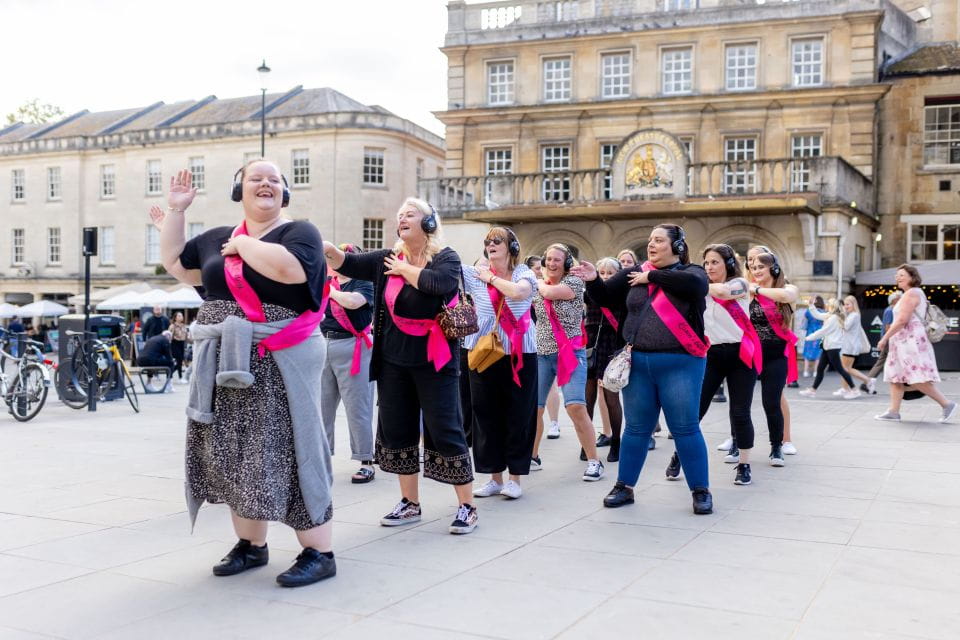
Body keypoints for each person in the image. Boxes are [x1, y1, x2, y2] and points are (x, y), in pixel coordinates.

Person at [160, 162, 336, 587]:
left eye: (274, 179)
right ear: (238, 189)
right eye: (255, 178)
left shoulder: (299, 233)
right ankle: (251, 545)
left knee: (293, 446)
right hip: (227, 362)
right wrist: (177, 211)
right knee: (237, 451)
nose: (265, 183)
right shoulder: (216, 237)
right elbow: (176, 264)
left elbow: (289, 270)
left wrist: (243, 246)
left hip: (282, 356)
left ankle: (319, 552)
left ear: (285, 193)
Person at [324, 198, 479, 534]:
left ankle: (467, 506)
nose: (402, 218)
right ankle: (410, 503)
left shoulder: (446, 257)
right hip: (394, 360)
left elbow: (439, 284)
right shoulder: (386, 258)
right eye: (400, 215)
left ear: (429, 223)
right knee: (398, 431)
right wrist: (327, 249)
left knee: (446, 429)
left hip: (436, 360)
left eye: (410, 214)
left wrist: (405, 269)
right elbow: (348, 262)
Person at [576, 225, 713, 514]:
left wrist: (652, 277)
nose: (651, 244)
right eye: (650, 240)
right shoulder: (634, 273)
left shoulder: (692, 272)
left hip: (681, 363)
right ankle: (624, 486)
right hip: (638, 363)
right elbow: (605, 296)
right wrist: (593, 280)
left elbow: (697, 286)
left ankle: (700, 489)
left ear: (677, 247)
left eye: (659, 240)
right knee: (636, 428)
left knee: (685, 428)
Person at [666, 244, 758, 485]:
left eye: (715, 262)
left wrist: (695, 285)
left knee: (740, 412)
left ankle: (744, 464)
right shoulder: (700, 288)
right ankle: (679, 455)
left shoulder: (740, 284)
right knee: (695, 410)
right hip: (711, 354)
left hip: (741, 353)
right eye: (706, 263)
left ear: (728, 264)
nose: (709, 267)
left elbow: (725, 293)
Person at [463, 227, 538, 500]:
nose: (491, 244)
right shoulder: (474, 274)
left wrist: (491, 278)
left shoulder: (523, 274)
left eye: (498, 241)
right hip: (484, 353)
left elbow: (518, 293)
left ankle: (515, 478)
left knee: (519, 415)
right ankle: (494, 477)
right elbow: (444, 270)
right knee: (485, 414)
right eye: (488, 241)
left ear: (512, 247)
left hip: (520, 354)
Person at [530, 244, 603, 480]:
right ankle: (532, 457)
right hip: (542, 353)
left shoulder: (573, 282)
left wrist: (536, 281)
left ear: (567, 264)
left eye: (557, 260)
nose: (552, 264)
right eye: (549, 259)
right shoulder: (538, 285)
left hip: (570, 353)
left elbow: (550, 293)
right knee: (534, 409)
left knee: (575, 407)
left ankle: (594, 461)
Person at [320, 243, 376, 484]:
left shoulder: (363, 282)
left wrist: (329, 291)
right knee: (321, 408)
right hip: (324, 344)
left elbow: (353, 302)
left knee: (358, 407)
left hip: (354, 346)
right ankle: (321, 458)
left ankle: (365, 461)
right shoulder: (324, 281)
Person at [875, 264, 957, 423]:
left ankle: (947, 404)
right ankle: (893, 412)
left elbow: (902, 320)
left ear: (912, 277)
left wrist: (884, 338)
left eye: (902, 275)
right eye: (897, 275)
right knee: (896, 376)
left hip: (910, 342)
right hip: (903, 342)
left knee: (917, 377)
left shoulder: (912, 293)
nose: (897, 278)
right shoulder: (911, 293)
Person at [746, 251, 799, 466]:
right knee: (741, 402)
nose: (756, 270)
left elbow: (785, 297)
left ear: (773, 268)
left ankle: (776, 446)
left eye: (761, 266)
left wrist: (757, 289)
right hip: (751, 354)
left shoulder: (788, 288)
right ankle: (736, 442)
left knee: (771, 401)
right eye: (753, 267)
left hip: (776, 355)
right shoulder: (747, 290)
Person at [583, 257, 625, 463]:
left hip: (611, 343)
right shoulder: (589, 290)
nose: (606, 276)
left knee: (611, 397)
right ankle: (586, 444)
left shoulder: (622, 293)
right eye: (602, 272)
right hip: (591, 344)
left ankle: (616, 442)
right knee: (587, 397)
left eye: (611, 273)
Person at [526, 254, 561, 452]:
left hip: (549, 344)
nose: (541, 270)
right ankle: (532, 453)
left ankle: (554, 422)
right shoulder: (529, 287)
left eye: (542, 267)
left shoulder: (546, 286)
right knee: (535, 397)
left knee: (552, 386)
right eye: (537, 268)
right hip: (533, 340)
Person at [798, 298, 859, 399]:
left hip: (833, 347)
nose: (826, 305)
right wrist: (811, 306)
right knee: (820, 368)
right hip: (828, 346)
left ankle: (854, 390)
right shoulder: (830, 315)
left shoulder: (833, 318)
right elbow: (818, 315)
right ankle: (812, 390)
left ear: (832, 306)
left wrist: (808, 338)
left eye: (828, 304)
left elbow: (823, 331)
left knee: (840, 369)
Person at [864, 291, 902, 394]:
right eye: (899, 298)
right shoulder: (890, 310)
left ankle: (867, 383)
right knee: (883, 362)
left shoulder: (892, 310)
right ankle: (867, 383)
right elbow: (887, 327)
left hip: (889, 339)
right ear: (894, 300)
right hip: (889, 340)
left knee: (881, 362)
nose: (902, 300)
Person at [839, 295, 871, 392]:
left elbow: (846, 326)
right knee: (846, 368)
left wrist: (841, 316)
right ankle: (845, 388)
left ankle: (866, 381)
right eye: (845, 304)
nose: (846, 306)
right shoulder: (853, 315)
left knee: (845, 368)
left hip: (850, 346)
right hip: (850, 346)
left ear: (853, 304)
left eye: (848, 304)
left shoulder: (854, 315)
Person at [799, 296, 825, 378]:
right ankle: (815, 371)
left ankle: (805, 371)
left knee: (807, 351)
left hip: (810, 333)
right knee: (819, 352)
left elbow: (804, 324)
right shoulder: (824, 312)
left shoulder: (808, 311)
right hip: (820, 333)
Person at [170, 311, 189, 383]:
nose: (181, 317)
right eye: (179, 316)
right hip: (175, 343)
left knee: (180, 361)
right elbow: (169, 336)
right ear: (175, 318)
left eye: (182, 316)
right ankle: (180, 377)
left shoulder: (184, 326)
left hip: (182, 344)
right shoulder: (172, 326)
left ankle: (170, 374)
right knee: (179, 360)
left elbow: (186, 336)